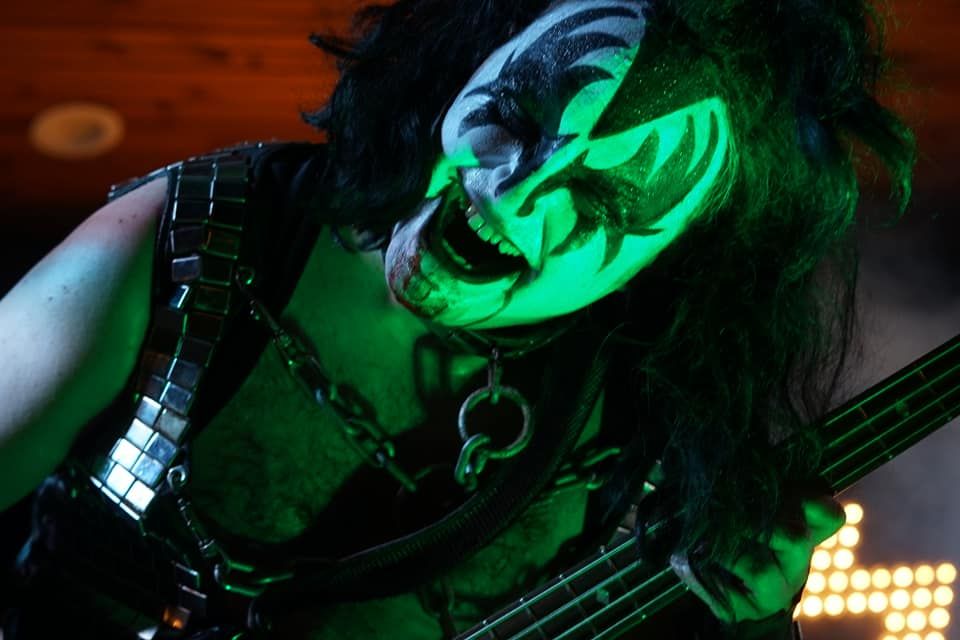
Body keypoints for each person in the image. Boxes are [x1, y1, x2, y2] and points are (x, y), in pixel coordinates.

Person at [0, 0, 915, 638]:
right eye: (519, 111)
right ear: (472, 56)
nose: (514, 193)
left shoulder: (644, 436)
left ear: (676, 262)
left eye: (599, 202)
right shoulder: (193, 242)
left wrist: (751, 622)